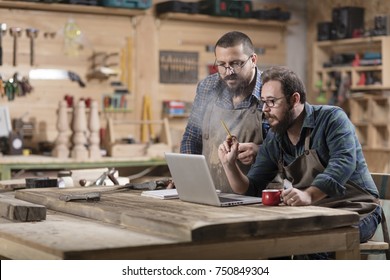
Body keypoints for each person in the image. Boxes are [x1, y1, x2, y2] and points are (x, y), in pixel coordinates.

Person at [218, 66, 382, 248]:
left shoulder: (332, 118)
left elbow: (343, 164)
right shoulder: (275, 137)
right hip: (315, 212)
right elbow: (252, 188)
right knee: (270, 244)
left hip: (357, 210)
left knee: (311, 247)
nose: (265, 109)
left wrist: (308, 195)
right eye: (263, 102)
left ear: (294, 99)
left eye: (272, 102)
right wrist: (229, 165)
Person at [180, 31, 269, 192]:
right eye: (222, 64)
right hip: (212, 193)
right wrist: (189, 177)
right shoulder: (207, 87)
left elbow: (290, 148)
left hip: (259, 197)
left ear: (253, 60)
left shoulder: (271, 90)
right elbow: (192, 138)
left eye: (236, 63)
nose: (229, 72)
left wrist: (261, 152)